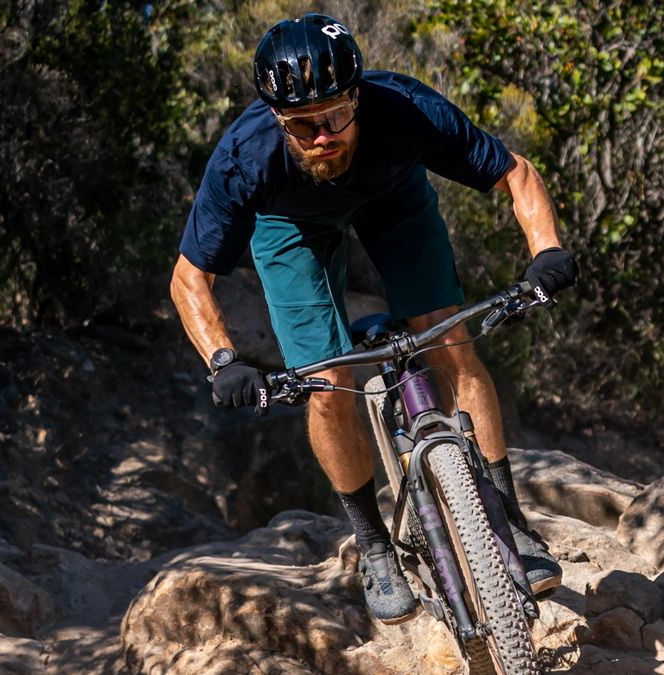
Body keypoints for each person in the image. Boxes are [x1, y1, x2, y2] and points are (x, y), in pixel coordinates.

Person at [169, 13, 576, 625]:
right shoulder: (244, 157)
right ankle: (374, 546)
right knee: (327, 387)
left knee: (451, 342)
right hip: (290, 226)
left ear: (357, 96)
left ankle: (508, 524)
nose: (321, 136)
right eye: (301, 126)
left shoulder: (405, 110)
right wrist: (223, 361)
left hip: (393, 195)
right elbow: (188, 278)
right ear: (277, 120)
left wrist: (545, 249)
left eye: (334, 116)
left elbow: (514, 173)